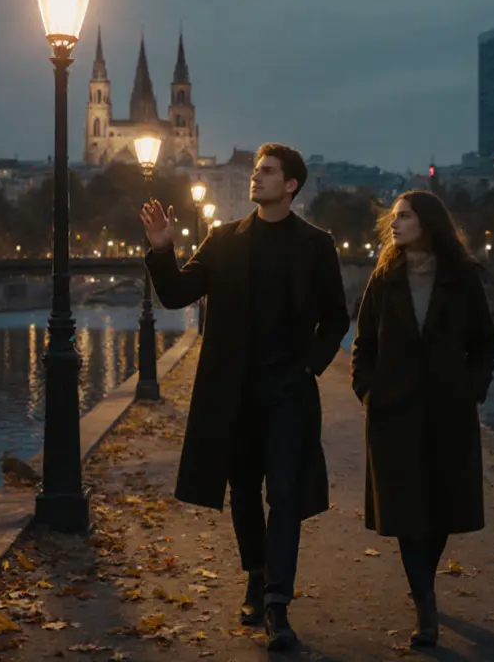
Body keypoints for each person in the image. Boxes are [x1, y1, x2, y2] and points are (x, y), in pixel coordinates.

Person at [138, 142, 350, 651]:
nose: (256, 178)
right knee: (244, 493)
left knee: (285, 493)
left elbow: (337, 318)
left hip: (288, 394)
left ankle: (277, 602)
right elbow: (175, 294)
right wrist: (162, 249)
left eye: (267, 172)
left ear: (291, 185)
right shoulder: (224, 240)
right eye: (256, 171)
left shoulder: (316, 245)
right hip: (232, 393)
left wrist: (309, 365)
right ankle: (256, 574)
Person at [349, 190, 494, 647]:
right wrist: (367, 389)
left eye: (405, 217)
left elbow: (484, 343)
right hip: (393, 413)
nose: (395, 225)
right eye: (394, 218)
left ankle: (423, 588)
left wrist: (471, 390)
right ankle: (425, 605)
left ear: (428, 222)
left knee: (439, 511)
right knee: (406, 511)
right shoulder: (384, 276)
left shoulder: (462, 277)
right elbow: (364, 343)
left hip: (448, 411)